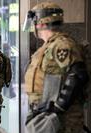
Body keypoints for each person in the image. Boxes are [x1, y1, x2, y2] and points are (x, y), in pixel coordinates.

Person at [23, 2, 89, 133]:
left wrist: (58, 107)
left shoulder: (61, 45)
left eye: (35, 22)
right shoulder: (47, 47)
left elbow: (78, 74)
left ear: (40, 23)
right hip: (46, 115)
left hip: (60, 121)